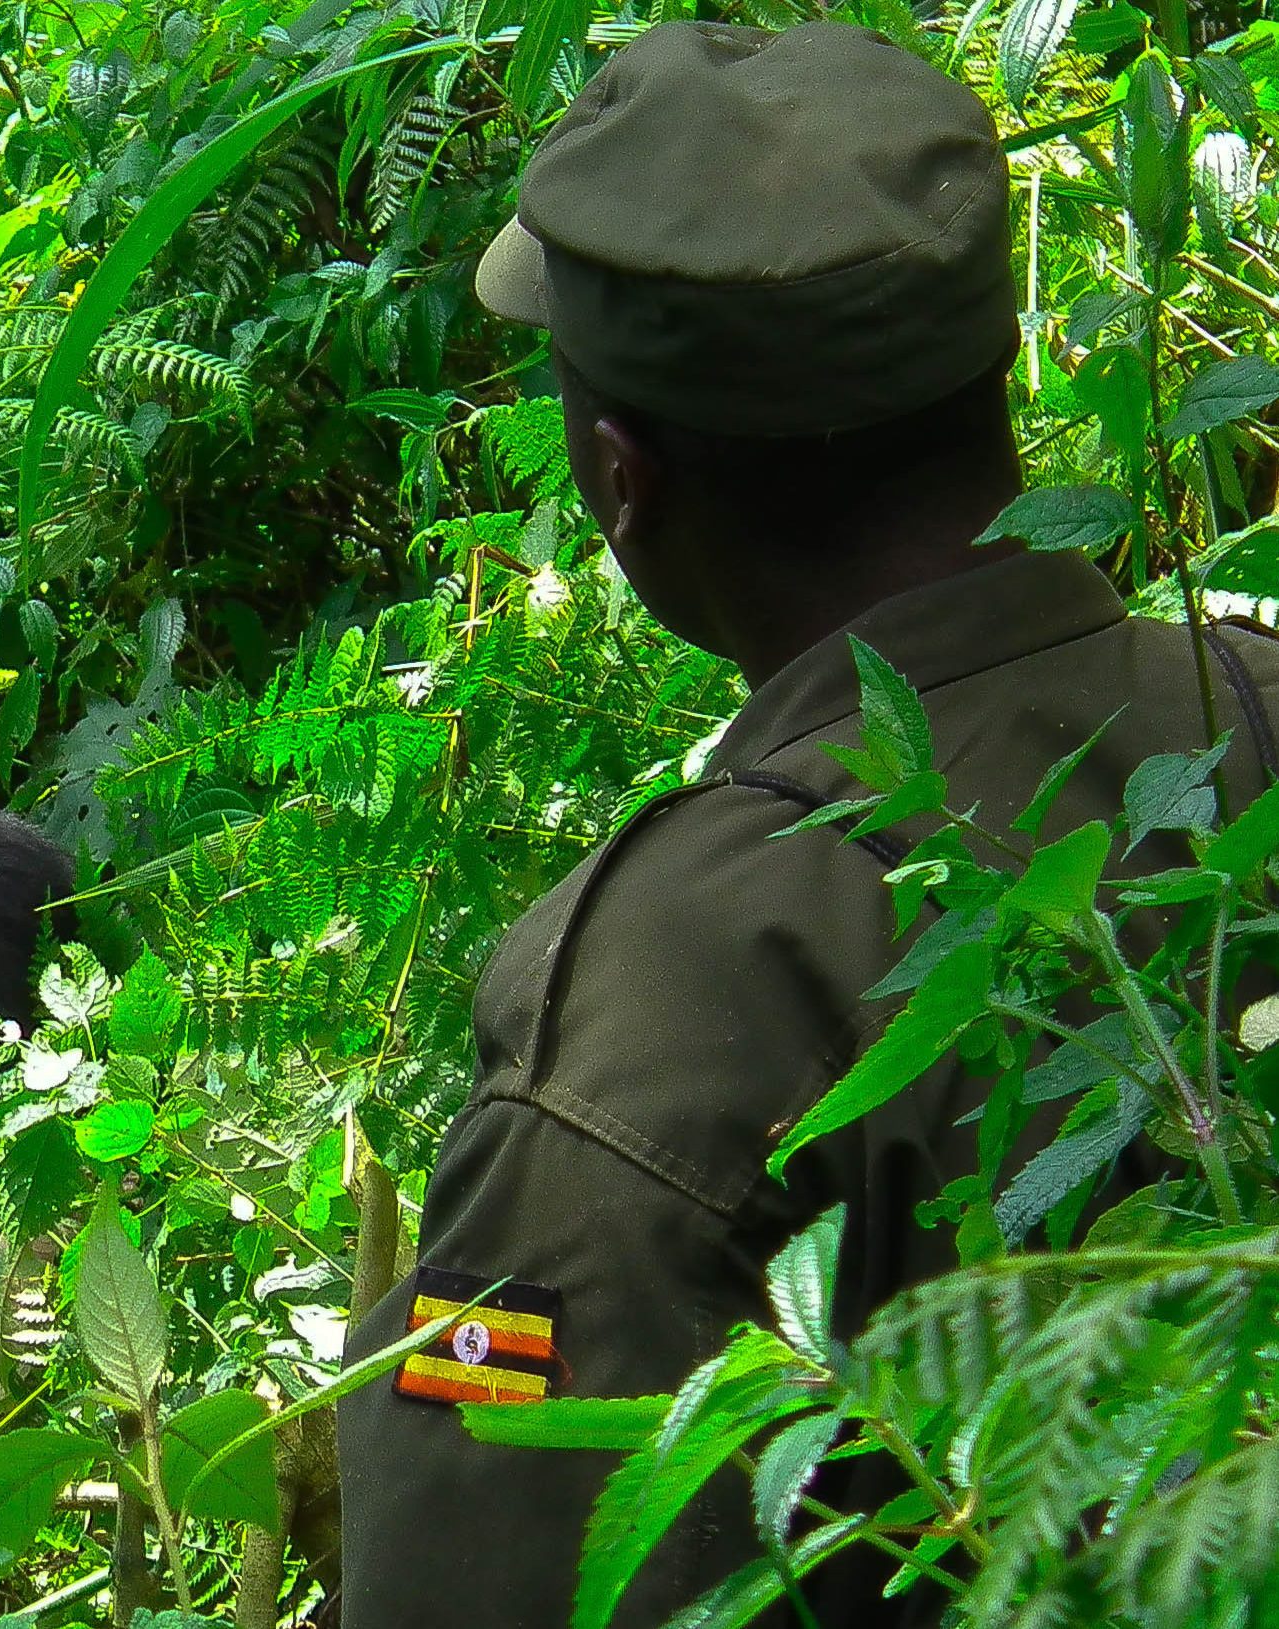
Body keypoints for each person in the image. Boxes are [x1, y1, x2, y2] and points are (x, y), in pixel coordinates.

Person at [333, 20, 1279, 1627]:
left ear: (621, 481)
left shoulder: (662, 1000)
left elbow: (483, 1567)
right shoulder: (1245, 700)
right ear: (996, 373)